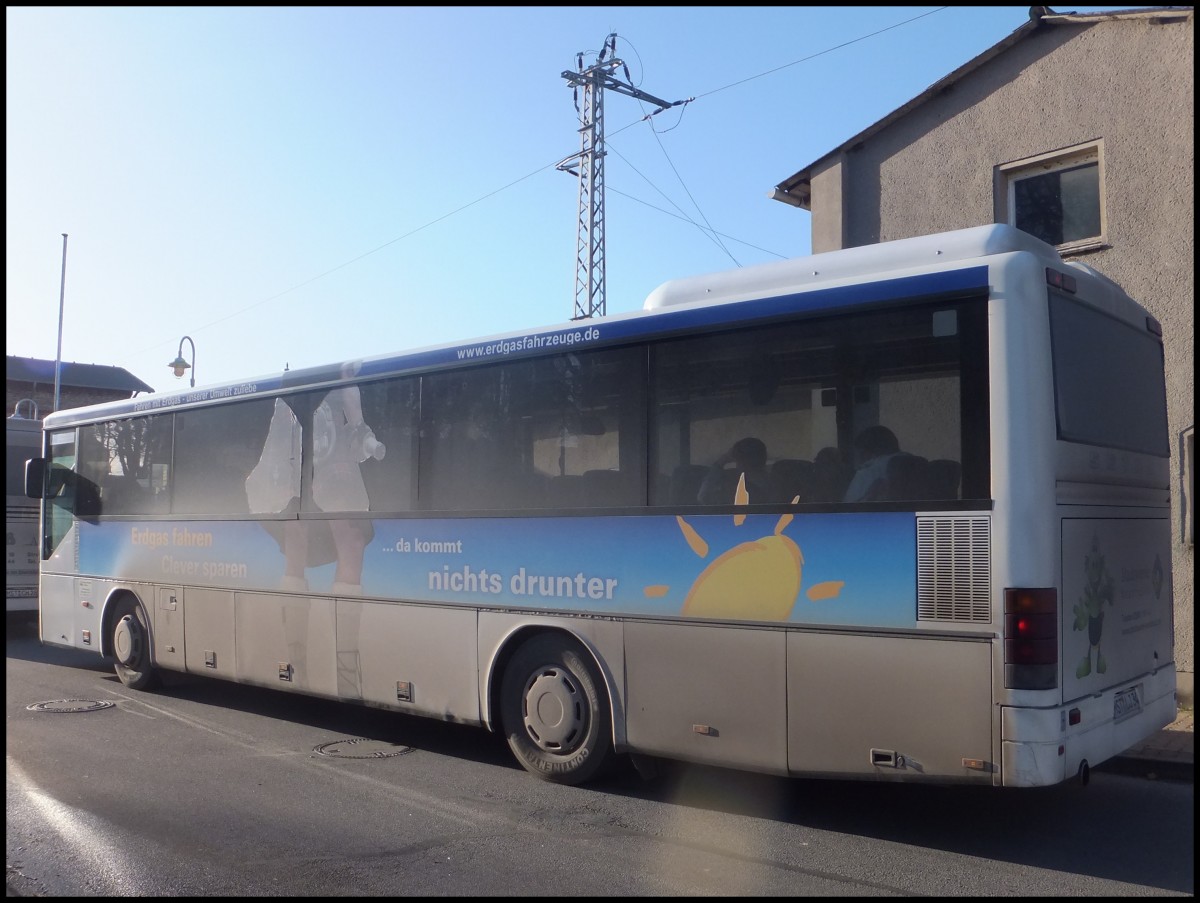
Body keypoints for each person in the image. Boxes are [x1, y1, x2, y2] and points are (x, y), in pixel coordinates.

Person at [698, 436, 771, 505]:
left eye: (737, 460)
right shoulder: (774, 483)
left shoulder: (736, 488)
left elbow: (704, 497)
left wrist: (721, 462)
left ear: (741, 462)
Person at [843, 425, 900, 502]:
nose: (859, 459)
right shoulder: (915, 466)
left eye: (860, 453)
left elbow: (847, 510)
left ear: (866, 452)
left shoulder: (867, 472)